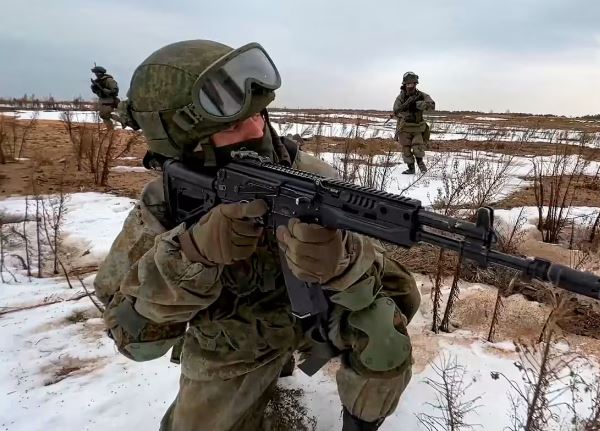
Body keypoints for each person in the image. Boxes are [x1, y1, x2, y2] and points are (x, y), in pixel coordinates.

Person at [93, 39, 420, 431]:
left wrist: (343, 260)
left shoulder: (312, 176)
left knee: (383, 332)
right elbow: (133, 339)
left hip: (311, 317)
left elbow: (400, 289)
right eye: (231, 124)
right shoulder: (165, 200)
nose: (255, 127)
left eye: (260, 114)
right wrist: (191, 254)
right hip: (230, 342)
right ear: (186, 143)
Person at [392, 72, 435, 174]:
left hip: (417, 128)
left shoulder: (421, 95)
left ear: (415, 84)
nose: (410, 86)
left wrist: (420, 105)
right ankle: (411, 168)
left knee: (418, 148)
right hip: (404, 127)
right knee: (406, 150)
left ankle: (421, 165)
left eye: (412, 84)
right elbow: (396, 110)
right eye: (408, 84)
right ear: (404, 85)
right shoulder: (401, 97)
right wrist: (404, 112)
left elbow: (432, 105)